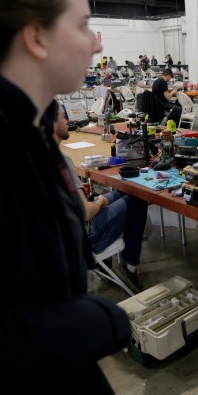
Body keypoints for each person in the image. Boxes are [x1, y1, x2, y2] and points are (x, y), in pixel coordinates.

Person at [0, 0, 131, 395]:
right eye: (81, 26)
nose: (95, 44)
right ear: (36, 38)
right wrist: (98, 322)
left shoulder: (26, 131)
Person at [52, 106, 148, 293]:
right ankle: (129, 268)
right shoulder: (60, 161)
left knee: (123, 192)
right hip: (84, 238)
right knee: (138, 198)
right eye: (63, 118)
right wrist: (99, 202)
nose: (68, 122)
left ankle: (117, 263)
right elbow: (85, 213)